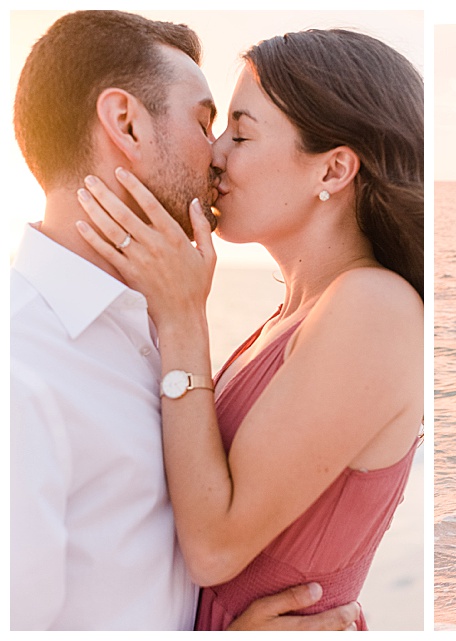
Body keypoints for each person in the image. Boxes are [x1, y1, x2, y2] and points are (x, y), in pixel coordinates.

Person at [9, 11, 361, 631]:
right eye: (204, 123)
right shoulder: (22, 366)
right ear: (126, 124)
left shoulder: (146, 328)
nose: (219, 154)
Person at [67, 27, 423, 629]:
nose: (215, 154)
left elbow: (213, 547)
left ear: (334, 170)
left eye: (241, 132)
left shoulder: (374, 308)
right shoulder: (294, 317)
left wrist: (183, 316)